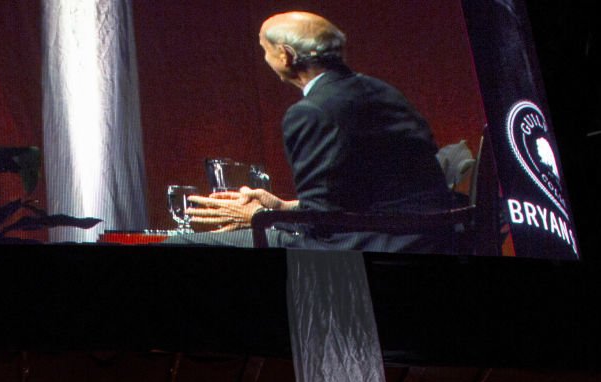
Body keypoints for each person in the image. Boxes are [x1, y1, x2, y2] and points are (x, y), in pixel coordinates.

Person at [182, 11, 457, 250]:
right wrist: (281, 207)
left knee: (183, 243)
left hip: (366, 242)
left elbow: (321, 223)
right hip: (426, 236)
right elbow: (362, 197)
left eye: (265, 49)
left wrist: (258, 216)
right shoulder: (383, 90)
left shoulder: (310, 111)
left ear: (285, 56)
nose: (265, 58)